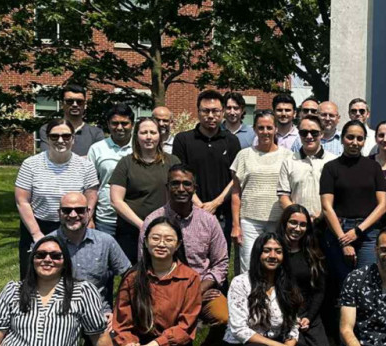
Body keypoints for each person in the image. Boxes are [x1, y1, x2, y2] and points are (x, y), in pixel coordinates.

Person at [139, 164, 230, 346]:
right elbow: (143, 265)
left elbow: (221, 263)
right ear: (167, 187)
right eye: (175, 184)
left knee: (225, 317)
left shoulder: (208, 221)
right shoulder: (152, 221)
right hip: (163, 289)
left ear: (194, 188)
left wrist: (198, 290)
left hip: (202, 288)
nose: (181, 189)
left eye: (186, 184)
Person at [113, 217, 201, 346]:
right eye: (156, 238)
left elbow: (186, 326)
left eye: (168, 240)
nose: (161, 244)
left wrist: (155, 345)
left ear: (178, 244)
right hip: (141, 344)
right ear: (145, 241)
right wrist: (128, 343)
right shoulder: (133, 277)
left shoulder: (190, 278)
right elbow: (122, 320)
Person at [217, 234, 310, 346]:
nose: (272, 256)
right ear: (258, 254)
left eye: (278, 251)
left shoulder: (287, 285)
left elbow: (292, 324)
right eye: (267, 251)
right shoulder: (241, 283)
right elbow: (239, 330)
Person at [15, 119, 98, 278]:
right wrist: (37, 234)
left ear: (73, 138)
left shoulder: (86, 166)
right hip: (38, 225)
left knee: (71, 278)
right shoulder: (30, 165)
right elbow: (22, 201)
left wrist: (84, 222)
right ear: (47, 138)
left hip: (72, 227)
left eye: (66, 136)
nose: (61, 140)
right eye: (55, 136)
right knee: (32, 279)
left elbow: (91, 198)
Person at [320, 121, 386, 285]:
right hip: (339, 231)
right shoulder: (331, 168)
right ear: (342, 139)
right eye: (350, 137)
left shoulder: (374, 168)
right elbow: (326, 206)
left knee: (368, 283)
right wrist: (343, 239)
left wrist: (358, 231)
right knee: (343, 285)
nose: (355, 142)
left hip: (368, 233)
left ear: (365, 141)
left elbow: (383, 205)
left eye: (360, 138)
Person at [172, 89, 241, 246]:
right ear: (198, 112)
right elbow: (179, 176)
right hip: (189, 211)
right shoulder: (183, 139)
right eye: (206, 111)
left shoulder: (231, 141)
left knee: (219, 261)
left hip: (222, 213)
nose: (210, 115)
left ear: (222, 112)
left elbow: (235, 177)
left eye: (215, 111)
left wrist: (215, 204)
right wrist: (199, 205)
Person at [110, 117, 181, 262]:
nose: (148, 137)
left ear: (159, 136)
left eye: (153, 132)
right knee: (133, 276)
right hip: (131, 231)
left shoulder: (173, 162)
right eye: (144, 132)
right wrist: (142, 225)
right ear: (136, 136)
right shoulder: (126, 163)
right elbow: (116, 200)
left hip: (164, 229)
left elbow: (182, 192)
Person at [230, 110, 293, 272]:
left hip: (277, 220)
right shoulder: (244, 155)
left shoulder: (289, 156)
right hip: (250, 221)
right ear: (255, 129)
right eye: (261, 128)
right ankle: (249, 296)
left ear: (276, 129)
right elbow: (236, 192)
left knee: (275, 264)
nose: (265, 132)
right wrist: (236, 225)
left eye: (269, 128)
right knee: (249, 264)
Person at [52, 192, 130, 317]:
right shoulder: (47, 244)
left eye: (79, 210)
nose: (73, 215)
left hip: (98, 312)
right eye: (67, 210)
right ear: (59, 213)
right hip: (58, 314)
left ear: (88, 212)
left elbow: (129, 276)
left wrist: (118, 311)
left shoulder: (106, 241)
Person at [277, 205, 334, 346]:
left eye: (302, 225)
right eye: (293, 223)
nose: (297, 228)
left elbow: (319, 291)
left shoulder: (313, 252)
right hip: (281, 314)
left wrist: (309, 317)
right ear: (284, 223)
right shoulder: (274, 251)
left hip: (308, 315)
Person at [278, 115, 338, 221]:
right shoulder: (289, 161)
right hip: (298, 226)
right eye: (304, 132)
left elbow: (338, 196)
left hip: (327, 223)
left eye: (314, 132)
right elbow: (283, 197)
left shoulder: (333, 161)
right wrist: (301, 218)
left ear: (322, 133)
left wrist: (320, 217)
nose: (309, 136)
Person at [87, 103, 135, 235]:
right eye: (115, 123)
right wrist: (89, 217)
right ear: (108, 124)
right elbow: (90, 186)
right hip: (106, 218)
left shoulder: (140, 148)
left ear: (132, 124)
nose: (119, 127)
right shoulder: (97, 149)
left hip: (134, 216)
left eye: (124, 123)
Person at [38, 84, 104, 155]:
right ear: (62, 104)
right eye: (70, 101)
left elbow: (98, 159)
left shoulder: (96, 133)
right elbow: (48, 157)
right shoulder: (48, 129)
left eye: (79, 101)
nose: (75, 104)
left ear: (85, 105)